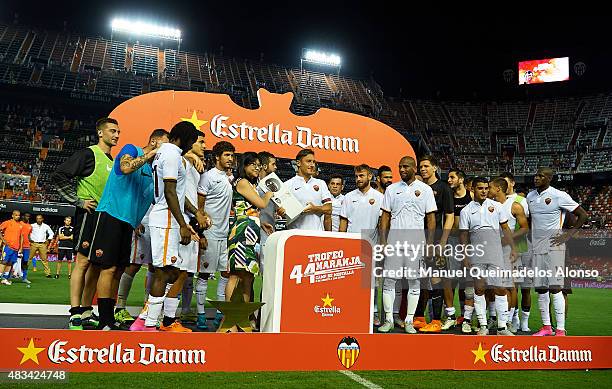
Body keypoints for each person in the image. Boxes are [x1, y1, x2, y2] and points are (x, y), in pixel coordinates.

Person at [131, 122, 200, 332]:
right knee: (163, 273)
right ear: (185, 138)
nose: (192, 146)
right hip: (167, 220)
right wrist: (182, 224)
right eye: (192, 141)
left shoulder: (163, 152)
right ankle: (149, 324)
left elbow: (175, 193)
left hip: (166, 218)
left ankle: (149, 319)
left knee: (173, 271)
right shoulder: (171, 154)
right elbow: (170, 192)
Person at [52, 117, 118, 330]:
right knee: (82, 263)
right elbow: (59, 175)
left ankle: (88, 310)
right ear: (100, 133)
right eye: (112, 131)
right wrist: (78, 201)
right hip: (88, 217)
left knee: (97, 266)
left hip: (105, 218)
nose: (116, 135)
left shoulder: (112, 160)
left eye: (118, 131)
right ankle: (74, 313)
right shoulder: (89, 154)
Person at [113, 129, 170, 325]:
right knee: (134, 264)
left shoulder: (159, 164)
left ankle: (149, 308)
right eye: (164, 143)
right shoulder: (138, 155)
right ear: (154, 142)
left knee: (157, 266)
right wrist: (137, 219)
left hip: (158, 219)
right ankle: (119, 307)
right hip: (142, 219)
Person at [527, 167, 588, 336]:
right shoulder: (530, 197)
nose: (536, 178)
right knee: (540, 287)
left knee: (555, 287)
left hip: (555, 246)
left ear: (549, 178)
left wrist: (568, 235)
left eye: (541, 176)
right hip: (537, 247)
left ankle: (560, 329)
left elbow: (583, 215)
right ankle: (546, 327)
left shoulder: (559, 195)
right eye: (536, 175)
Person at [378, 156, 436, 333]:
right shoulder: (391, 189)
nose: (402, 170)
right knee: (389, 281)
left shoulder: (425, 190)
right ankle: (388, 319)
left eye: (405, 167)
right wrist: (382, 241)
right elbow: (385, 217)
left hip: (416, 244)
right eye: (399, 167)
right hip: (394, 243)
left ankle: (409, 320)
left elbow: (431, 218)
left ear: (414, 168)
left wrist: (430, 244)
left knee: (414, 282)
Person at [459, 177, 517, 336]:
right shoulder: (466, 211)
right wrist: (465, 256)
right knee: (479, 288)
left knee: (500, 288)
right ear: (473, 190)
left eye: (486, 188)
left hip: (495, 253)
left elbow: (505, 228)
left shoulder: (497, 206)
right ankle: (483, 325)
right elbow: (463, 236)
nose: (484, 191)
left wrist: (513, 248)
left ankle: (502, 327)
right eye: (480, 188)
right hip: (477, 254)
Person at [225, 152, 274, 331]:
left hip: (251, 232)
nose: (256, 167)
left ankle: (242, 319)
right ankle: (231, 321)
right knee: (236, 275)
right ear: (243, 166)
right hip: (241, 232)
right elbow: (261, 204)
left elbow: (250, 209)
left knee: (248, 277)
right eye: (252, 164)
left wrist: (262, 223)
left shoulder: (250, 184)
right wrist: (270, 192)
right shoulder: (243, 182)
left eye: (258, 165)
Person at [195, 141, 235, 331]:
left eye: (232, 155)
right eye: (227, 155)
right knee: (204, 274)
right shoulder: (207, 177)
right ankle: (201, 315)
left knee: (225, 273)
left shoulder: (230, 178)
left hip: (225, 234)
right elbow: (200, 208)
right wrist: (201, 233)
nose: (230, 158)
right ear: (217, 157)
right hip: (210, 234)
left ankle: (220, 314)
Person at [338, 164, 384, 326]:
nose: (358, 179)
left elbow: (382, 223)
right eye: (356, 176)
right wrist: (341, 243)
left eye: (361, 176)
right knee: (350, 283)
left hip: (371, 246)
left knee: (371, 283)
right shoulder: (348, 197)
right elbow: (343, 221)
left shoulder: (379, 198)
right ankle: (349, 311)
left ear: (370, 176)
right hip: (351, 245)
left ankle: (374, 313)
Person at [417, 155, 454, 333]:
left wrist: (443, 241)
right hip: (417, 240)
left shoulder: (443, 188)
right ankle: (419, 317)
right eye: (420, 166)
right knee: (421, 279)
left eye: (426, 166)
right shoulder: (418, 188)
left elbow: (449, 215)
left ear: (434, 167)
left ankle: (437, 321)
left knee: (436, 278)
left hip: (436, 240)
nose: (422, 169)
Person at [488, 177, 529, 334]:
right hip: (492, 249)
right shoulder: (490, 205)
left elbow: (525, 228)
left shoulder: (515, 206)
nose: (488, 190)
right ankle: (498, 320)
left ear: (498, 188)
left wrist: (507, 239)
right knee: (494, 286)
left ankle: (510, 321)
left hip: (508, 250)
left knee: (510, 287)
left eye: (490, 187)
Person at [447, 168, 472, 332]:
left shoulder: (471, 196)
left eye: (452, 177)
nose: (449, 180)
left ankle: (466, 317)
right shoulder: (447, 196)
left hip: (471, 243)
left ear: (461, 179)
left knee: (467, 282)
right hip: (451, 242)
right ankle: (450, 314)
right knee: (450, 279)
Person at [285, 149, 332, 231]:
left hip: (316, 234)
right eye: (308, 161)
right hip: (294, 234)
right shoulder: (288, 184)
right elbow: (283, 210)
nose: (312, 165)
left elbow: (329, 208)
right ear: (298, 163)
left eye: (313, 162)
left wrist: (315, 209)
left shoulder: (321, 183)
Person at [0, 210, 22, 285]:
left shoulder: (20, 225)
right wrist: (3, 239)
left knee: (10, 263)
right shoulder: (7, 222)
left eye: (18, 215)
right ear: (12, 215)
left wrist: (20, 247)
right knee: (4, 262)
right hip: (8, 246)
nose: (17, 216)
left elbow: (20, 237)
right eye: (16, 215)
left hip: (16, 248)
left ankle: (4, 279)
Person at [19, 212, 32, 283]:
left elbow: (28, 235)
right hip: (18, 246)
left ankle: (24, 278)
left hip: (27, 247)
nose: (28, 218)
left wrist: (31, 241)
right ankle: (6, 277)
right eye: (26, 216)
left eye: (29, 216)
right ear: (23, 216)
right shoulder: (19, 224)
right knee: (12, 262)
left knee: (25, 262)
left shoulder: (30, 226)